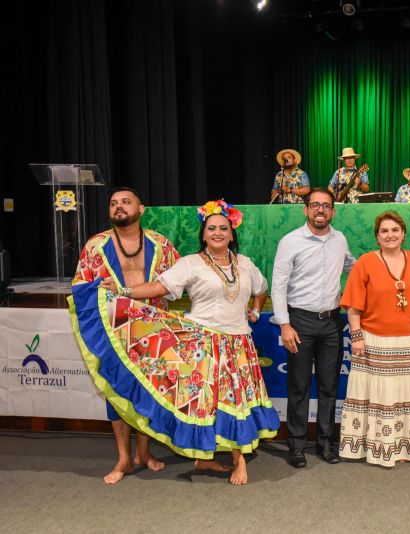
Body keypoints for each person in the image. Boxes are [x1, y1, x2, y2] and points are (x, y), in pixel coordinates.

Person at [72, 198, 280, 485]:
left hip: (238, 345)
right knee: (208, 405)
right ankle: (208, 458)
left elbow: (261, 288)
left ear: (232, 234)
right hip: (202, 344)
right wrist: (122, 290)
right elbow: (158, 287)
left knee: (237, 405)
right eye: (211, 229)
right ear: (203, 234)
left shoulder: (245, 263)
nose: (217, 233)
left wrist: (256, 310)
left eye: (223, 228)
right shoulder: (190, 264)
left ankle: (236, 460)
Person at [70, 187, 180, 484]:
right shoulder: (96, 245)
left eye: (126, 202)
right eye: (113, 203)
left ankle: (143, 452)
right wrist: (98, 288)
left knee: (148, 390)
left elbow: (179, 282)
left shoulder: (161, 244)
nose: (119, 207)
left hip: (154, 327)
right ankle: (123, 458)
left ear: (140, 209)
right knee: (116, 392)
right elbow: (78, 286)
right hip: (114, 329)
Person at [339, 211, 410, 467]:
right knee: (381, 396)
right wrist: (356, 336)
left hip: (409, 340)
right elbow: (353, 306)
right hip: (374, 341)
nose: (390, 235)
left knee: (406, 395)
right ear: (377, 237)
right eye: (384, 231)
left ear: (404, 234)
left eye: (395, 230)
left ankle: (405, 445)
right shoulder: (365, 263)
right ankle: (377, 446)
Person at [271, 188, 356, 468]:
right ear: (305, 209)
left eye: (326, 206)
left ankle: (325, 443)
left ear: (333, 211)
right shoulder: (290, 241)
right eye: (315, 205)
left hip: (332, 323)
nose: (321, 210)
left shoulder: (339, 239)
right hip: (300, 323)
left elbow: (352, 268)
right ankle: (295, 445)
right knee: (299, 386)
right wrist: (285, 324)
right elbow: (279, 286)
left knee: (329, 386)